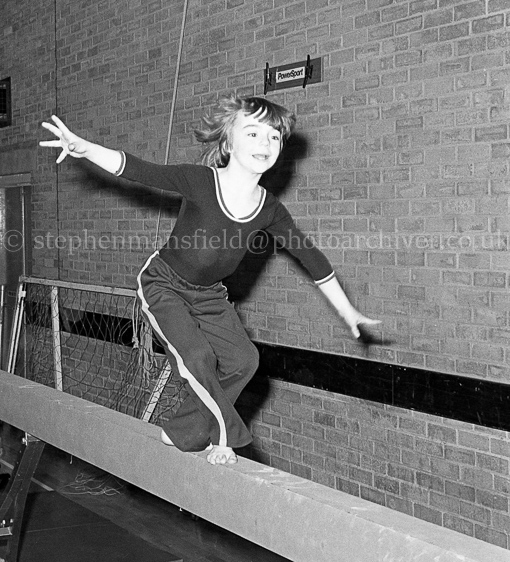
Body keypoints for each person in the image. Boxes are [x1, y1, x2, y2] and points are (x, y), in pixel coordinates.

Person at [41, 95, 380, 466]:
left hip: (210, 296)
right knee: (198, 357)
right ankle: (224, 438)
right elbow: (138, 169)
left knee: (244, 360)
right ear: (229, 142)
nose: (265, 143)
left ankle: (181, 430)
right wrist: (85, 148)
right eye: (253, 133)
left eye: (274, 137)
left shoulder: (269, 209)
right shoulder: (201, 181)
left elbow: (310, 257)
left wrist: (347, 311)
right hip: (163, 285)